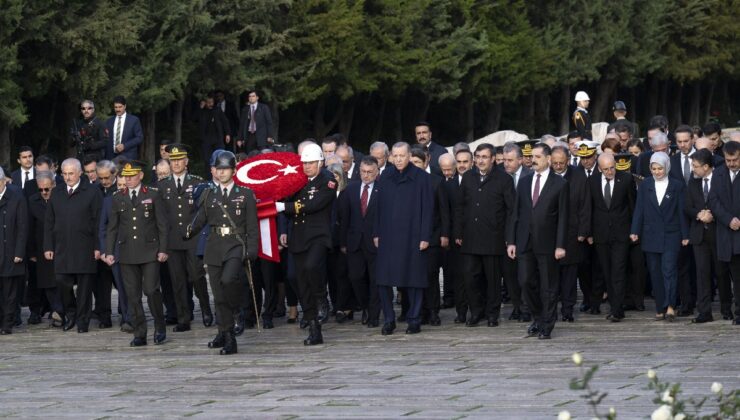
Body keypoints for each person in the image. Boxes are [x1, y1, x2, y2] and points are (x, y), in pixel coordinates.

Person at [187, 151, 258, 354]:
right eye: (219, 169)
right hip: (215, 245)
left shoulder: (244, 194)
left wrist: (252, 249)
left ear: (234, 171)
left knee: (228, 281)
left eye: (226, 169)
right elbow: (200, 219)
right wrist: (186, 232)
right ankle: (227, 336)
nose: (222, 172)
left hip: (236, 244)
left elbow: (252, 226)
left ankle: (236, 310)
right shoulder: (209, 193)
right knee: (218, 295)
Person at [507, 143, 568, 339]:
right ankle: (538, 318)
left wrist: (560, 245)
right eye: (531, 156)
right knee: (525, 282)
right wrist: (511, 241)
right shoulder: (524, 182)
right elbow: (516, 213)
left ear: (549, 159)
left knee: (548, 286)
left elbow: (563, 217)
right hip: (524, 241)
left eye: (537, 157)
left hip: (548, 243)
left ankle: (547, 325)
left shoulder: (560, 184)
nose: (532, 160)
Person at [276, 143, 336, 345]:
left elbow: (313, 204)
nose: (307, 166)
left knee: (312, 267)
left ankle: (321, 297)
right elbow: (285, 198)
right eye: (304, 163)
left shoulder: (327, 180)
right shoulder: (297, 180)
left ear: (320, 162)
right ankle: (313, 328)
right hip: (299, 237)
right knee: (299, 280)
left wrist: (285, 206)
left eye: (311, 163)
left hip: (318, 235)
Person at [104, 161, 168, 346]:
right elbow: (112, 228)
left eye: (132, 176)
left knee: (151, 289)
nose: (129, 179)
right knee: (132, 295)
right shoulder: (118, 197)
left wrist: (163, 249)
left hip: (149, 251)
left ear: (140, 175)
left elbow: (162, 225)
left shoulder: (153, 194)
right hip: (127, 252)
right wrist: (109, 251)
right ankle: (140, 332)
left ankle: (160, 325)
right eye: (126, 176)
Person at [374, 142, 433, 335]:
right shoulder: (385, 176)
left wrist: (425, 236)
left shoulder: (422, 178)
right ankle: (389, 319)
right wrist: (376, 233)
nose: (399, 159)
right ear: (391, 157)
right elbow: (377, 207)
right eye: (395, 156)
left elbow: (428, 209)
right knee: (384, 279)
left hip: (413, 235)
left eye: (402, 156)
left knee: (414, 278)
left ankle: (414, 319)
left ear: (409, 156)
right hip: (388, 235)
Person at [454, 143, 514, 327]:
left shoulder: (504, 179)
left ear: (493, 159)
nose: (480, 160)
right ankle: (476, 312)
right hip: (470, 237)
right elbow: (460, 206)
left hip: (493, 238)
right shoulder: (468, 177)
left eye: (484, 157)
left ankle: (492, 314)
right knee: (470, 278)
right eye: (478, 156)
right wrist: (458, 231)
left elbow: (512, 210)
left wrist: (509, 238)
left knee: (492, 280)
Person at [43, 158, 103, 333]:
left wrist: (98, 247)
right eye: (65, 174)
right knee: (62, 281)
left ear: (79, 173)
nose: (68, 177)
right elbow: (49, 221)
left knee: (85, 287)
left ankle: (83, 321)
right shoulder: (57, 192)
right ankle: (71, 314)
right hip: (62, 247)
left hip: (85, 246)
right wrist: (48, 246)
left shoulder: (92, 192)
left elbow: (98, 221)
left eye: (71, 173)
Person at [158, 144, 212, 331]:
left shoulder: (197, 183)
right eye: (173, 161)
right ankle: (184, 318)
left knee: (197, 277)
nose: (176, 164)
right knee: (177, 281)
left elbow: (204, 212)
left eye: (180, 160)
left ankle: (206, 310)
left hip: (193, 239)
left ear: (186, 161)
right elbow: (162, 218)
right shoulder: (162, 186)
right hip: (173, 241)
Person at [630, 152, 689, 322]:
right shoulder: (645, 184)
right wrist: (635, 231)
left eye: (660, 168)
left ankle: (671, 306)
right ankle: (660, 307)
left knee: (669, 270)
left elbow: (681, 211)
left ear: (667, 167)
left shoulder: (677, 186)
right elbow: (639, 209)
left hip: (672, 234)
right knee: (655, 272)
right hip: (650, 235)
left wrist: (685, 234)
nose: (657, 172)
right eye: (653, 168)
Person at [588, 153, 635, 322]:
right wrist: (589, 233)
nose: (610, 171)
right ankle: (616, 307)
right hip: (601, 235)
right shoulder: (592, 181)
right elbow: (589, 208)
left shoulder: (626, 179)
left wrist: (634, 230)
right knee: (607, 272)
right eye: (606, 169)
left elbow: (632, 206)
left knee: (618, 271)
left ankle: (616, 309)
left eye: (612, 168)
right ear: (599, 168)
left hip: (621, 234)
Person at [686, 149, 732, 323]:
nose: (693, 169)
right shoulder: (693, 182)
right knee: (702, 273)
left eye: (695, 166)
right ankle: (704, 312)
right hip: (699, 235)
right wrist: (699, 215)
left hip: (719, 233)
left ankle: (726, 309)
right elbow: (687, 206)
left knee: (722, 273)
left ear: (706, 167)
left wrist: (712, 214)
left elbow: (726, 203)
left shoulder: (721, 180)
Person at [339, 156, 381, 327]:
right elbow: (344, 218)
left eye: (370, 172)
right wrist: (343, 242)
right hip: (354, 241)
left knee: (375, 279)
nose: (366, 175)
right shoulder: (350, 189)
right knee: (355, 277)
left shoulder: (383, 189)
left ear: (377, 172)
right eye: (363, 172)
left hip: (376, 242)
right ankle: (364, 306)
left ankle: (373, 315)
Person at [409, 146, 449, 326]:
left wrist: (444, 234)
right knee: (415, 275)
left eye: (418, 162)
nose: (414, 165)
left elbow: (443, 211)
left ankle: (433, 310)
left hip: (432, 236)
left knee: (431, 275)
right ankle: (419, 310)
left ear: (425, 162)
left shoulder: (436, 182)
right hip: (411, 238)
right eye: (412, 163)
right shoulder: (406, 182)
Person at [550, 145, 589, 322]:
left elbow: (585, 206)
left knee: (570, 275)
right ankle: (551, 309)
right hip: (549, 234)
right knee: (551, 275)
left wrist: (583, 231)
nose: (558, 166)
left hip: (572, 233)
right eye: (555, 163)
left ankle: (567, 309)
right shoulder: (546, 176)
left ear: (568, 161)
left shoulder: (579, 176)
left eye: (561, 163)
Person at [707, 140, 740, 325]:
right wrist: (728, 219)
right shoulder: (718, 173)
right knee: (725, 273)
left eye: (735, 160)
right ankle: (730, 310)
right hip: (725, 233)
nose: (731, 163)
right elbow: (713, 200)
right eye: (728, 160)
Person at [27, 171, 64, 326]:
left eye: (47, 189)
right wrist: (31, 252)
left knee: (62, 281)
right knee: (46, 282)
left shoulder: (62, 198)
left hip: (62, 247)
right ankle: (57, 312)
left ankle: (62, 311)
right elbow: (28, 227)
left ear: (53, 185)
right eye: (40, 189)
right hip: (41, 249)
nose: (44, 193)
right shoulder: (32, 201)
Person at [0, 167, 28, 334]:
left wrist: (19, 252)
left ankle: (7, 323)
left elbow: (22, 227)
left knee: (10, 292)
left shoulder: (16, 198)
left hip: (10, 252)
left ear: (4, 181)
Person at [105, 96, 143, 161]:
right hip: (111, 158)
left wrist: (124, 146)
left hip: (128, 157)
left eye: (120, 107)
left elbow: (139, 138)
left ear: (125, 106)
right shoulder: (109, 121)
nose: (118, 109)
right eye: (116, 107)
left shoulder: (134, 120)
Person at [198, 94, 231, 159]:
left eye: (211, 102)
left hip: (218, 138)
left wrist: (227, 133)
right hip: (206, 138)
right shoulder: (202, 111)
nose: (210, 104)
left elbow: (225, 121)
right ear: (205, 103)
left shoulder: (217, 110)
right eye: (208, 102)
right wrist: (200, 108)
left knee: (220, 157)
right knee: (207, 159)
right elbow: (195, 119)